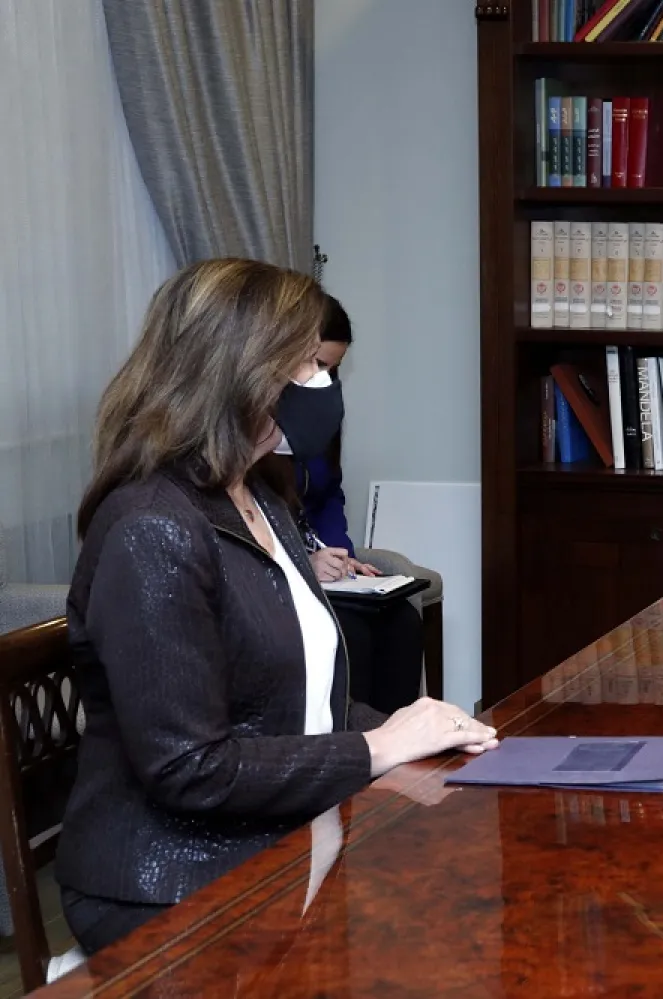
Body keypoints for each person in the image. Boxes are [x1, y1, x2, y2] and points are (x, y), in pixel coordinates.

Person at [57, 259, 498, 955]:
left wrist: (419, 727)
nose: (321, 385)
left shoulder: (259, 496)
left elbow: (294, 699)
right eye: (301, 365)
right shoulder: (152, 527)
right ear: (237, 371)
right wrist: (377, 747)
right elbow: (186, 768)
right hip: (169, 880)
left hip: (274, 831)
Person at [261, 296, 426, 714]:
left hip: (315, 568)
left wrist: (341, 556)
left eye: (332, 369)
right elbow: (252, 525)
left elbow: (328, 493)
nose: (325, 380)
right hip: (282, 579)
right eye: (316, 365)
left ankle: (401, 751)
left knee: (401, 622)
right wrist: (305, 562)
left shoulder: (319, 413)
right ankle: (360, 751)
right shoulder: (254, 430)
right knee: (349, 630)